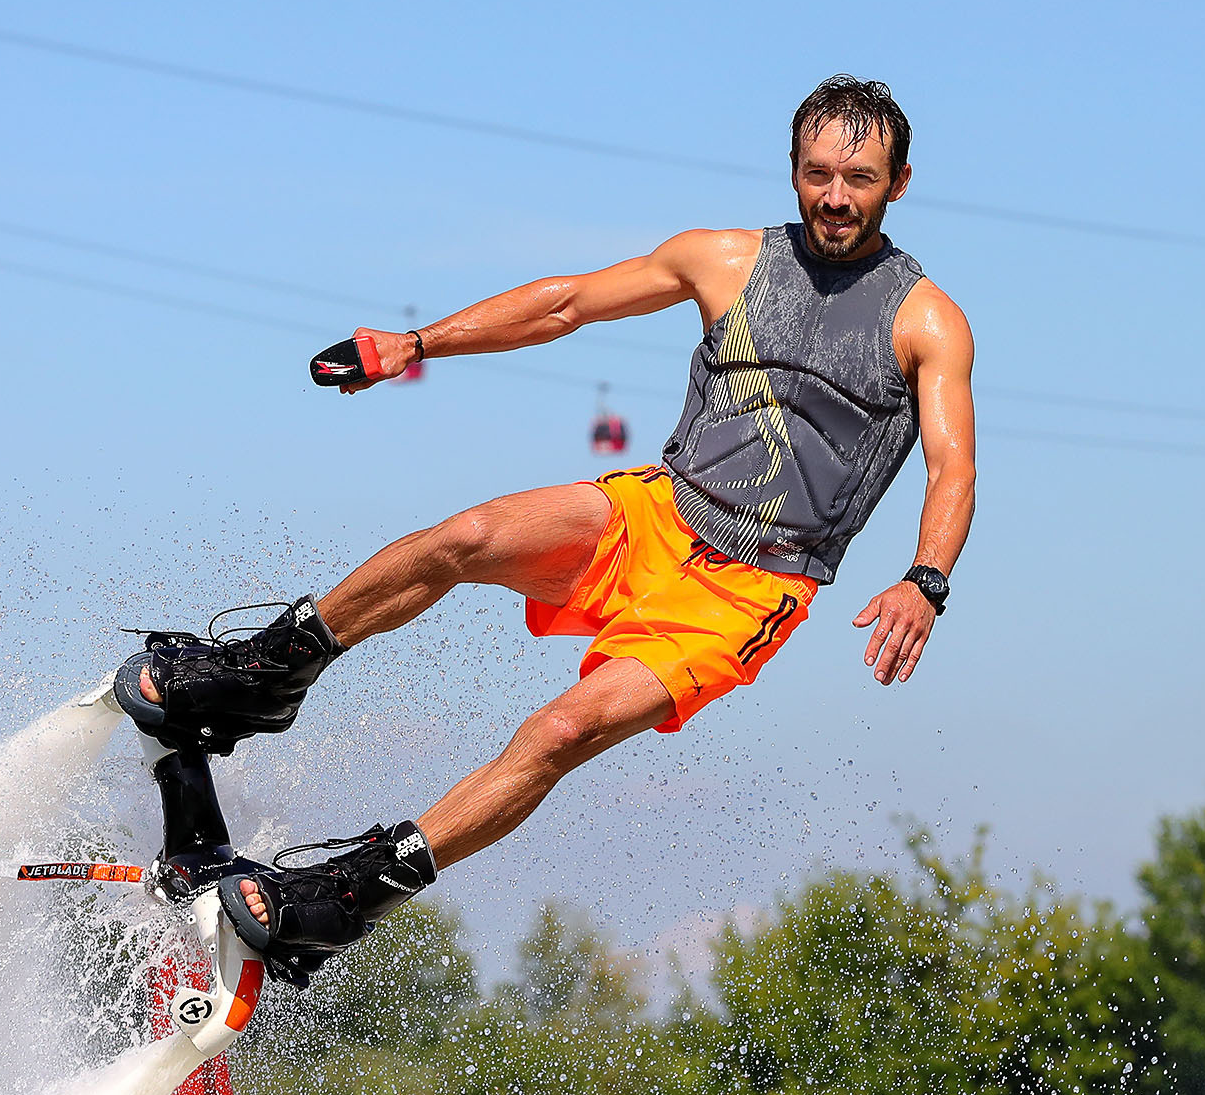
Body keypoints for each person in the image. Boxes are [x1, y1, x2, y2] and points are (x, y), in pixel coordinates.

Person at [117, 75, 977, 977]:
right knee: (468, 536)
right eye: (817, 173)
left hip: (752, 586)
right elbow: (566, 303)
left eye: (861, 178)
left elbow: (952, 468)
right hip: (659, 511)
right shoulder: (721, 258)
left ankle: (345, 896)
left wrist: (925, 580)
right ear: (793, 170)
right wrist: (416, 346)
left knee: (558, 733)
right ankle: (263, 674)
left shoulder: (926, 320)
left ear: (899, 182)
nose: (835, 197)